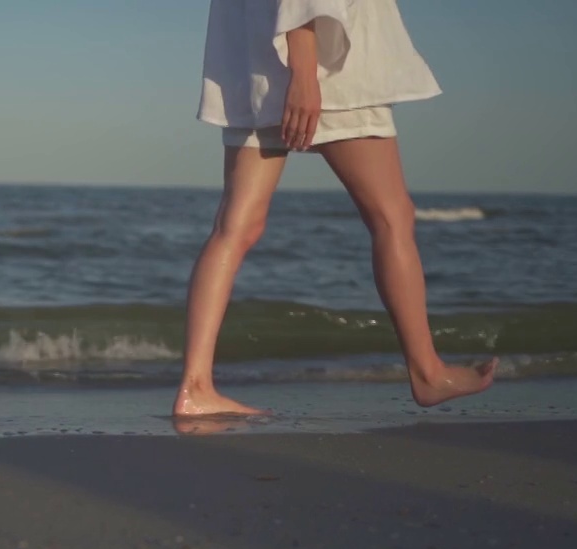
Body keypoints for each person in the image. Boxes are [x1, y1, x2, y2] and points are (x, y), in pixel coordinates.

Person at [173, 0, 498, 418]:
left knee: (234, 228)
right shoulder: (311, 71)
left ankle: (196, 387)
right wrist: (304, 74)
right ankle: (427, 371)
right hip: (326, 73)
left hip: (257, 63)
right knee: (392, 216)